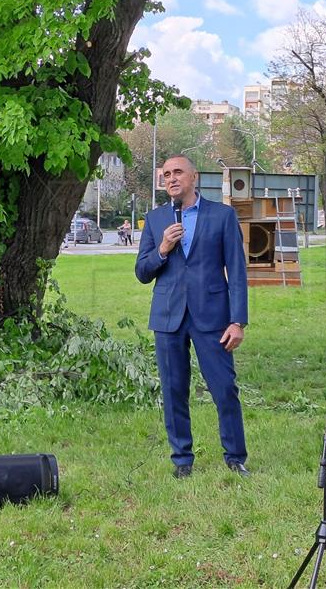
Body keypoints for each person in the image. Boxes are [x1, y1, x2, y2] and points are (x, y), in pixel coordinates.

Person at [135, 155, 249, 479]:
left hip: (213, 316)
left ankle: (235, 456)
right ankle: (182, 460)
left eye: (178, 172)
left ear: (194, 177)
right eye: (166, 174)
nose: (171, 178)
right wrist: (162, 250)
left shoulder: (223, 216)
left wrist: (237, 321)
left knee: (224, 388)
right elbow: (142, 272)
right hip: (168, 317)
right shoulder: (155, 220)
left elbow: (237, 273)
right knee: (173, 390)